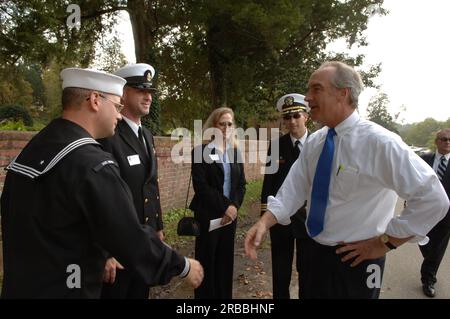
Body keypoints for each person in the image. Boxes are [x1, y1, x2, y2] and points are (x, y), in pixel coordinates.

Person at [245, 61, 448, 299]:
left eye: (316, 89)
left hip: (358, 261)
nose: (308, 97)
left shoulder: (381, 143)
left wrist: (385, 242)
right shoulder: (316, 142)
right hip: (313, 256)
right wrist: (264, 222)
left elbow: (434, 199)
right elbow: (294, 188)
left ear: (343, 93)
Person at [0, 67, 203, 298]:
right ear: (95, 100)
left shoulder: (36, 147)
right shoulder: (90, 163)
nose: (118, 115)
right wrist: (183, 266)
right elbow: (128, 236)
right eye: (117, 106)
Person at [99, 63, 165, 299]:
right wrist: (105, 252)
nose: (148, 97)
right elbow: (101, 196)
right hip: (119, 248)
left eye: (150, 92)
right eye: (141, 91)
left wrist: (158, 227)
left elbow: (151, 183)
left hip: (143, 242)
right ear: (123, 93)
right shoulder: (109, 134)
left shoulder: (146, 135)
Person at [189, 107, 246, 299]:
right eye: (222, 123)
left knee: (225, 262)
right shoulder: (200, 152)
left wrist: (234, 207)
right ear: (214, 126)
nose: (226, 128)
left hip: (230, 218)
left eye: (230, 124)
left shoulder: (236, 152)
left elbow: (241, 185)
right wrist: (226, 207)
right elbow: (202, 187)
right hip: (208, 215)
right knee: (207, 262)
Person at [260, 93, 311, 299]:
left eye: (296, 116)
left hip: (309, 218)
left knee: (307, 269)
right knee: (280, 270)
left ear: (306, 116)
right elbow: (269, 183)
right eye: (287, 118)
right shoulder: (276, 146)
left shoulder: (317, 143)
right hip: (281, 218)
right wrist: (265, 217)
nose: (291, 122)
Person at [418, 129, 450, 297]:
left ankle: (428, 279)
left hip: (446, 215)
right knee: (423, 242)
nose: (447, 142)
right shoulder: (424, 159)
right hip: (423, 212)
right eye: (444, 139)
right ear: (437, 141)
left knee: (438, 247)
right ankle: (429, 261)